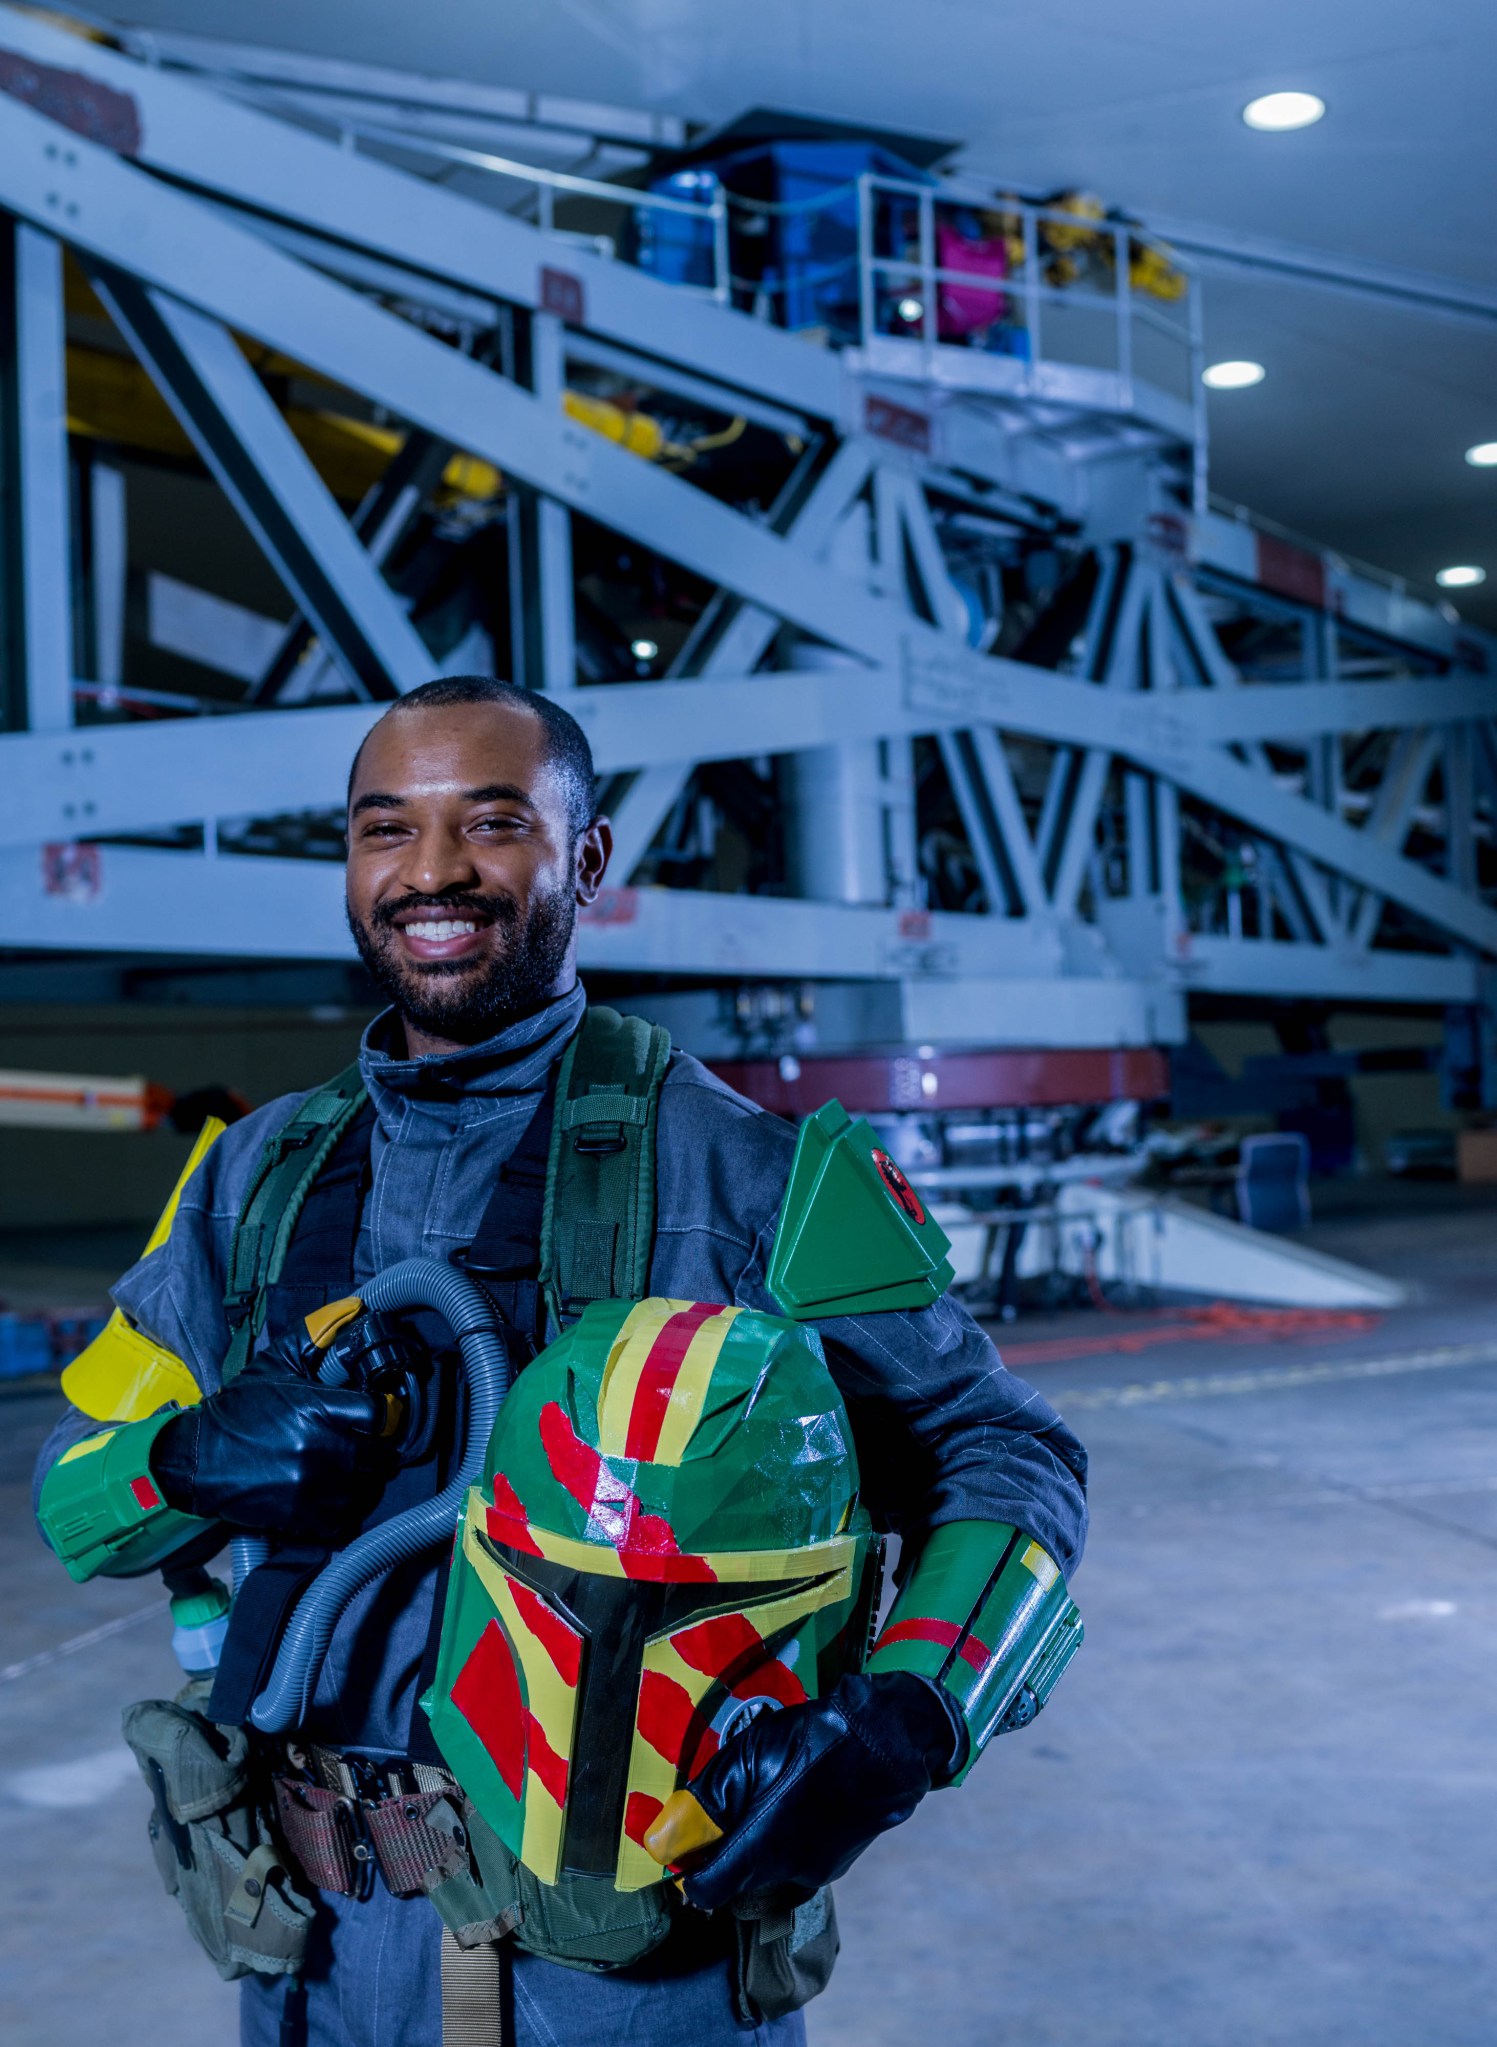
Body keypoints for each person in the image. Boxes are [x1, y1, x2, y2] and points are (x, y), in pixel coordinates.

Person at [35, 676, 1088, 2047]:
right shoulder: (253, 1178)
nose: (432, 872)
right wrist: (188, 1460)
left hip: (615, 1977)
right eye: (383, 830)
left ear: (585, 857)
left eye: (491, 823)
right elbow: (76, 1503)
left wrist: (910, 1713)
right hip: (306, 1954)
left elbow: (1004, 1452)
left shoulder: (746, 1175)